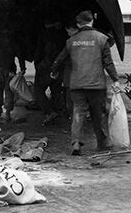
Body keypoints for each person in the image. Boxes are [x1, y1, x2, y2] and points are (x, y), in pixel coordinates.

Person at [51, 10, 120, 155]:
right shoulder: (102, 39)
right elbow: (108, 63)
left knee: (78, 113)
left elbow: (59, 58)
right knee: (98, 114)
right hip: (96, 84)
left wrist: (54, 70)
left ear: (78, 24)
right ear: (92, 21)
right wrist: (116, 79)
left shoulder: (71, 41)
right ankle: (103, 143)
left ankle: (76, 143)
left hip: (77, 84)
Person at [34, 22, 67, 126]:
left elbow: (39, 52)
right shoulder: (63, 35)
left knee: (38, 90)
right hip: (60, 66)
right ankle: (58, 111)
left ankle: (49, 112)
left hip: (45, 66)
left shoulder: (44, 34)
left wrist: (37, 64)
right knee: (56, 90)